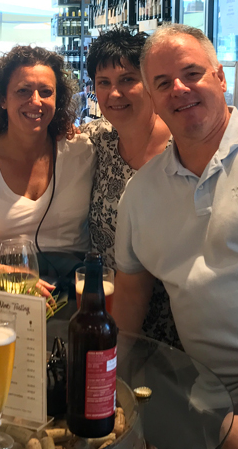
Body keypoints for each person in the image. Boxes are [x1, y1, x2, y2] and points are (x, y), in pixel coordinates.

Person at [114, 23, 238, 449]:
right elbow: (128, 301)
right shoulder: (140, 194)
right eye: (162, 83)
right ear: (153, 99)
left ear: (221, 77)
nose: (178, 88)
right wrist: (105, 385)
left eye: (191, 73)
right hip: (203, 383)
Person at [0, 45, 95, 289]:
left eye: (46, 92)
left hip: (73, 288)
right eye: (23, 91)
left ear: (59, 99)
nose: (35, 101)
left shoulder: (84, 150)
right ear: (2, 98)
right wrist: (11, 276)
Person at [82, 28, 180, 347]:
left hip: (175, 333)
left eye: (127, 79)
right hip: (109, 319)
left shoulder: (182, 152)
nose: (114, 94)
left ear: (150, 83)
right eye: (104, 83)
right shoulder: (98, 140)